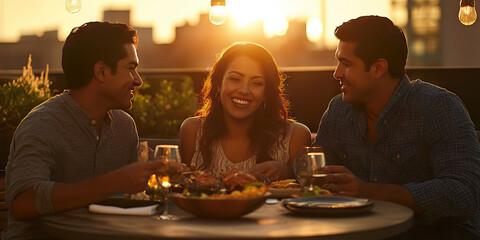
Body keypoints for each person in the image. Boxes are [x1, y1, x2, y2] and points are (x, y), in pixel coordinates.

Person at [313, 15, 480, 239]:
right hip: (361, 231)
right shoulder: (339, 110)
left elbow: (463, 193)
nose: (337, 73)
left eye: (346, 63)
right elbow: (316, 171)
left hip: (437, 232)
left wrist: (368, 192)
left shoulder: (438, 107)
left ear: (378, 68)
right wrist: (284, 169)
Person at [3, 22, 166, 239]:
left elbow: (134, 200)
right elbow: (23, 203)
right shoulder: (41, 124)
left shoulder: (124, 127)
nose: (138, 80)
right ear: (102, 71)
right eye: (131, 68)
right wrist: (113, 183)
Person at [180, 42, 311, 182]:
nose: (244, 90)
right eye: (235, 79)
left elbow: (304, 195)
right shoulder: (192, 131)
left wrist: (288, 172)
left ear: (266, 92)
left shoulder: (295, 136)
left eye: (256, 83)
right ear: (218, 84)